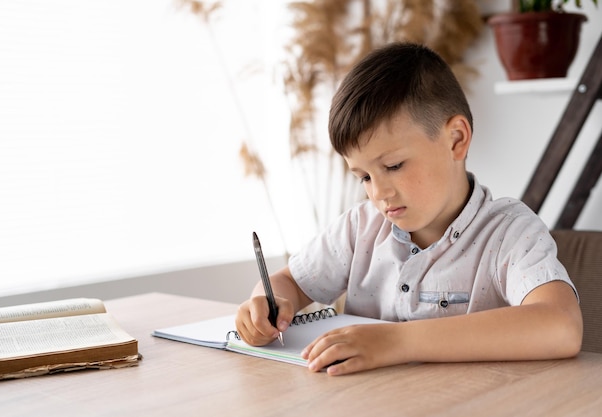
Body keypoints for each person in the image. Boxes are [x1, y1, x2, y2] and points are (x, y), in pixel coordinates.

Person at [235, 43, 583, 376]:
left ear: (456, 140)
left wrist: (397, 342)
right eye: (364, 177)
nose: (379, 193)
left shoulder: (509, 232)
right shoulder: (360, 229)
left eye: (395, 165)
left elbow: (561, 325)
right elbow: (292, 282)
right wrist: (268, 302)